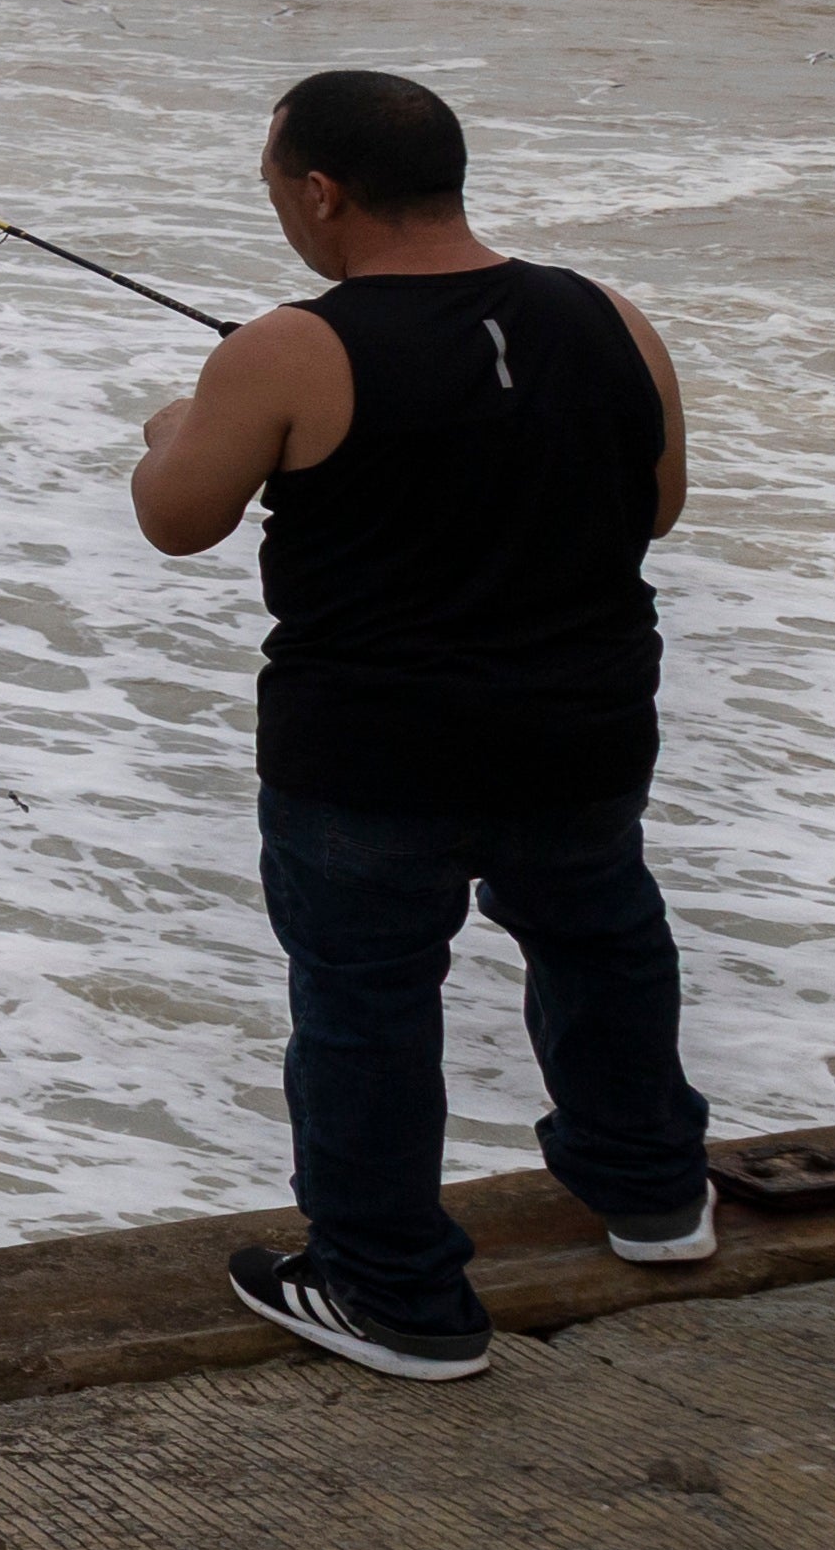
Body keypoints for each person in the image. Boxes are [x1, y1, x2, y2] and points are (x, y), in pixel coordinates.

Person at [128, 67, 711, 1382]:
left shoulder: (284, 349)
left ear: (320, 191)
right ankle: (654, 1193)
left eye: (277, 183)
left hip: (371, 758)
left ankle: (391, 1291)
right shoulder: (607, 312)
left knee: (364, 997)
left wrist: (180, 423)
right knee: (601, 937)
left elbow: (175, 515)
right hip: (581, 726)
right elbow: (657, 503)